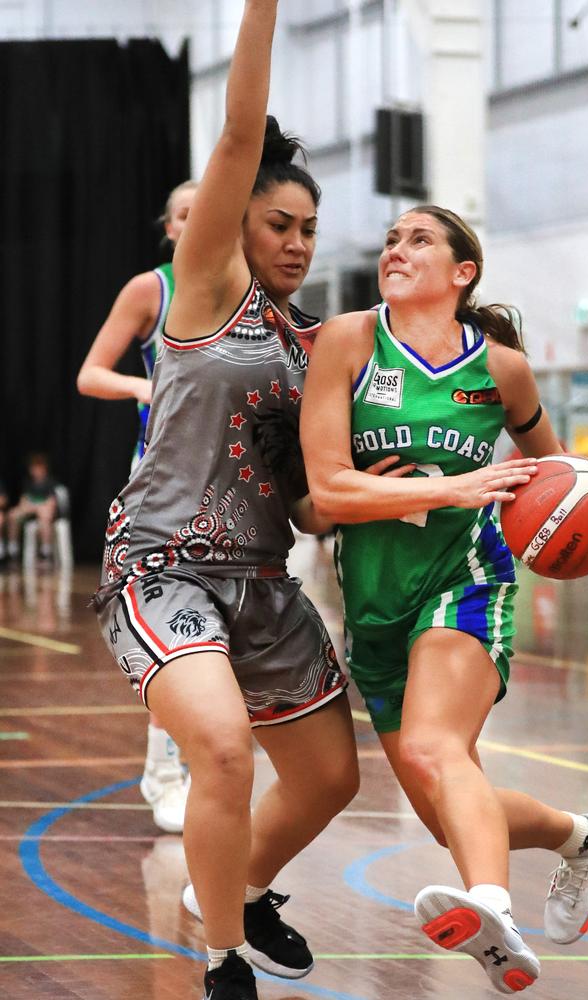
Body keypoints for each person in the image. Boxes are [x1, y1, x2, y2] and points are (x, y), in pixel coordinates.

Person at [91, 3, 362, 998]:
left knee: (333, 776)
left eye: (308, 232)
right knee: (217, 743)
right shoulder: (205, 287)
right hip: (161, 564)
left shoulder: (313, 345)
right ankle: (218, 961)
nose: (294, 244)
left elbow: (308, 507)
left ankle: (242, 890)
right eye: (278, 223)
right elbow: (240, 130)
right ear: (231, 219)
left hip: (261, 576)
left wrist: (416, 492)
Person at [300, 204, 588, 994]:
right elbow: (324, 491)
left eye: (418, 240)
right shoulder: (347, 341)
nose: (395, 250)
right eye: (389, 240)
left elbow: (558, 473)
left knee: (435, 750)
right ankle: (583, 838)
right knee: (448, 808)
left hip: (466, 578)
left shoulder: (503, 369)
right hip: (372, 601)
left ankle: (491, 908)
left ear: (462, 273)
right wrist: (455, 483)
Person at [77, 181, 197, 835]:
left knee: (228, 645)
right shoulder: (151, 290)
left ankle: (199, 768)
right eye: (185, 212)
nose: (197, 220)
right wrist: (140, 384)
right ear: (170, 227)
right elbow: (90, 373)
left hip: (232, 490)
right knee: (176, 635)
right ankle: (165, 772)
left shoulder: (251, 295)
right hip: (160, 488)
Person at [6, 453, 59, 564]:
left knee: (44, 515)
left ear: (43, 468)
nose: (34, 471)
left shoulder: (50, 483)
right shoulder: (28, 483)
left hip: (45, 515)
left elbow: (51, 503)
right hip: (30, 512)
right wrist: (31, 507)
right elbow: (23, 502)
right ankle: (12, 551)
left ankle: (45, 553)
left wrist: (36, 507)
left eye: (37, 468)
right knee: (12, 515)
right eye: (33, 468)